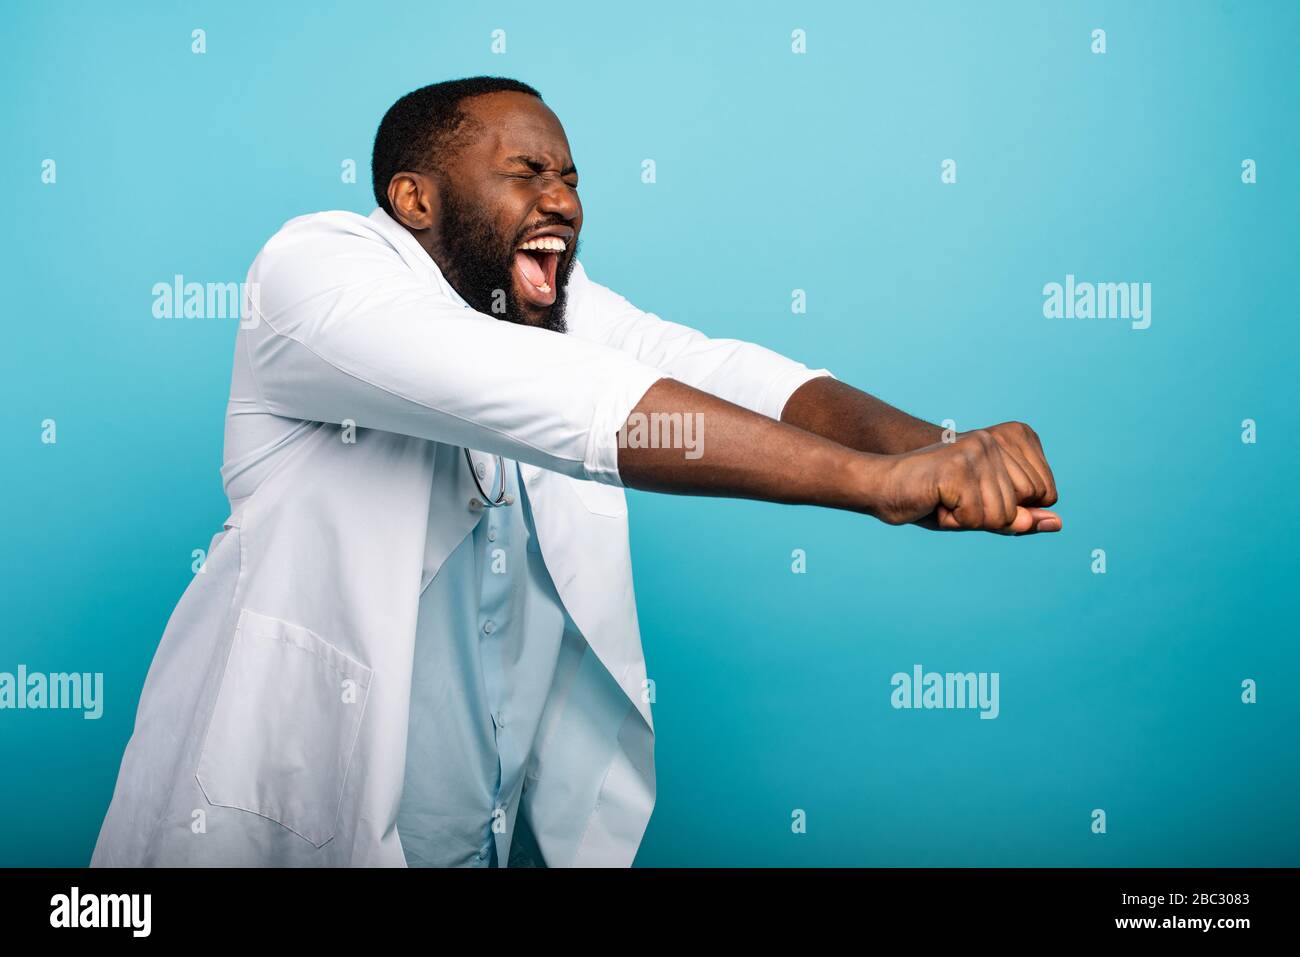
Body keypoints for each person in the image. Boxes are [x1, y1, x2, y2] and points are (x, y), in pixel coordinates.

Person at [91, 76, 1060, 869]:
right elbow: (573, 401)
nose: (563, 200)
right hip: (265, 837)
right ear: (414, 197)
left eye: (569, 176)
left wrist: (935, 445)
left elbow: (729, 374)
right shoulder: (316, 273)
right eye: (525, 172)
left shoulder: (552, 309)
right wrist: (874, 487)